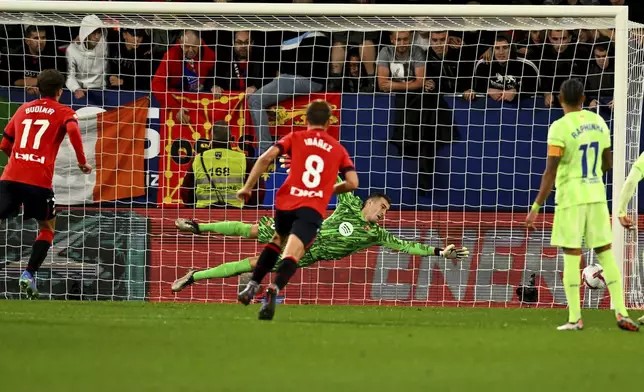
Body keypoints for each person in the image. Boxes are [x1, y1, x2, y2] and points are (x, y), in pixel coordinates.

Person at [172, 185, 469, 288]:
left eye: (387, 211)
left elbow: (407, 246)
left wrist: (439, 252)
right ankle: (198, 225)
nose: (384, 213)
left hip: (305, 254)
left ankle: (194, 276)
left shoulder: (376, 234)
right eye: (383, 207)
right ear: (370, 202)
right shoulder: (350, 203)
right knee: (248, 229)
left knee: (252, 264)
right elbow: (337, 179)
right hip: (300, 231)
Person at [525, 78, 638, 332]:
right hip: (596, 195)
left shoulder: (559, 127)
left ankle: (575, 318)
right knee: (606, 253)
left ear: (559, 99)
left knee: (571, 255)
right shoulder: (599, 122)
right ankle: (621, 311)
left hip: (571, 198)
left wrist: (535, 207)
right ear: (584, 98)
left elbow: (550, 171)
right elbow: (607, 163)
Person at [234, 100, 358, 320]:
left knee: (276, 240)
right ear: (329, 122)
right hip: (312, 208)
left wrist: (247, 187)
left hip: (286, 203)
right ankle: (274, 288)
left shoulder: (294, 137)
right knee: (293, 253)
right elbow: (352, 183)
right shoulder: (338, 149)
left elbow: (266, 158)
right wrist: (327, 189)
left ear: (306, 119)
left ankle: (253, 285)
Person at [0, 69, 92, 299]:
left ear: (37, 88)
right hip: (38, 182)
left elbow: (4, 144)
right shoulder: (63, 111)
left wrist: (19, 161)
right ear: (60, 91)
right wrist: (82, 162)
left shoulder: (22, 109)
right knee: (47, 228)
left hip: (10, 177)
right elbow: (72, 129)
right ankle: (28, 275)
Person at [180, 120, 264, 207]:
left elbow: (186, 190)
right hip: (235, 213)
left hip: (204, 212)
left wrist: (191, 207)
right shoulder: (243, 159)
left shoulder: (198, 159)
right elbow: (259, 189)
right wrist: (249, 208)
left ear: (211, 137)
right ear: (230, 138)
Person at [65, 14, 107, 100]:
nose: (97, 37)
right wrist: (76, 88)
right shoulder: (72, 49)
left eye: (99, 33)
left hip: (103, 92)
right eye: (93, 33)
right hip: (80, 94)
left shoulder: (104, 46)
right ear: (85, 33)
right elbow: (69, 76)